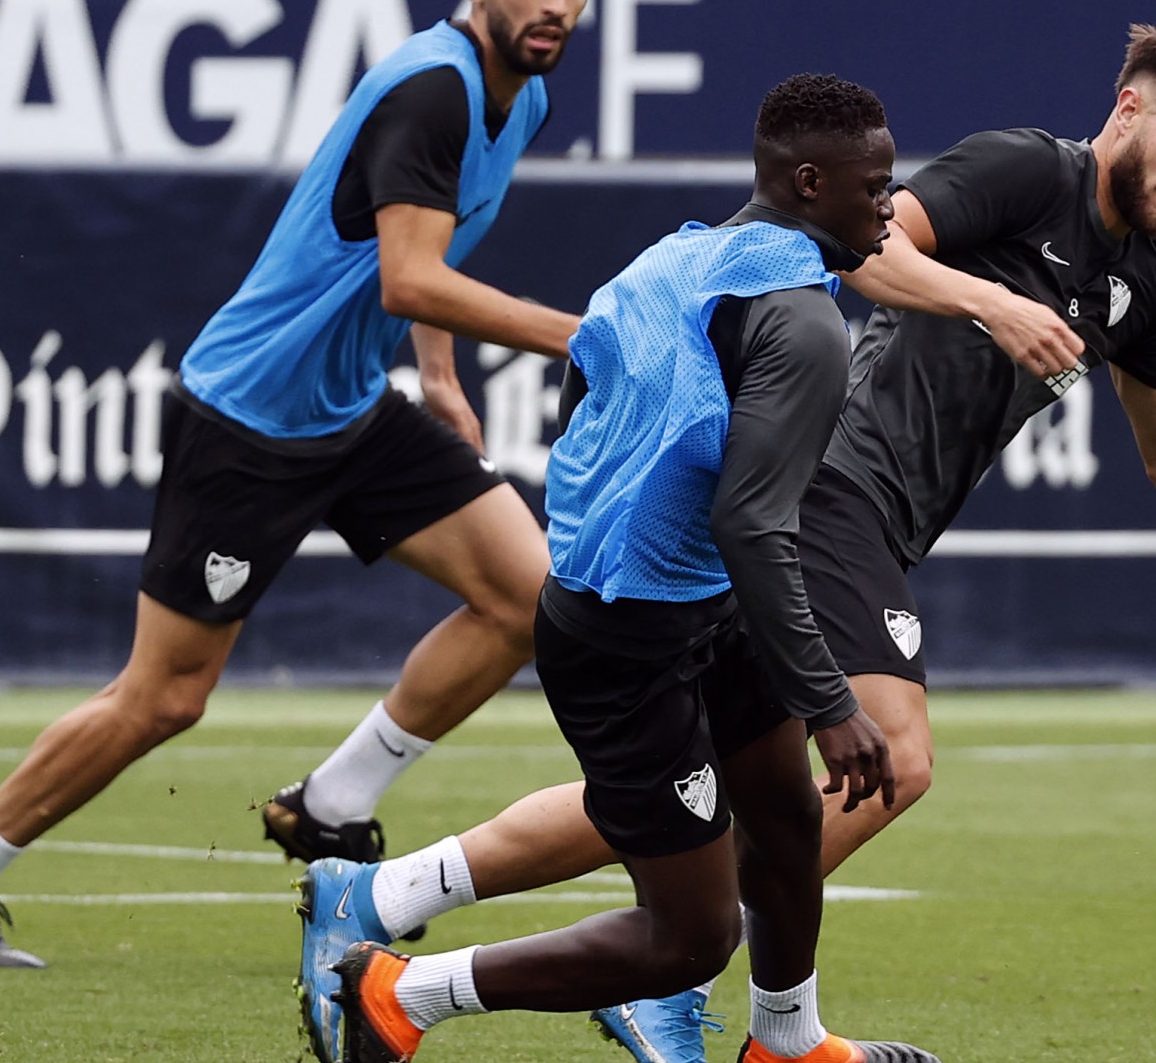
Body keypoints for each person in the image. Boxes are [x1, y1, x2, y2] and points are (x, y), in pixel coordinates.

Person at [299, 18, 1156, 1063]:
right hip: (825, 489)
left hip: (883, 521)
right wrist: (992, 306)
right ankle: (688, 994)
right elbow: (858, 253)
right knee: (889, 758)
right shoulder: (1025, 171)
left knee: (699, 794)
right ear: (1128, 108)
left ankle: (393, 897)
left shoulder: (1140, 283)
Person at [0, 0, 591, 969]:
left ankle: (331, 806)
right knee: (165, 698)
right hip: (252, 418)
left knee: (528, 597)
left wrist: (434, 372)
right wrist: (584, 336)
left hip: (351, 406)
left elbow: (433, 240)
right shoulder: (432, 89)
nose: (557, 1)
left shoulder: (524, 95)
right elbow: (410, 277)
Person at [302, 73, 938, 1063]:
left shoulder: (673, 258)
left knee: (778, 817)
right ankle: (402, 993)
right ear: (811, 183)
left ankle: (789, 1043)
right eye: (877, 185)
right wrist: (832, 705)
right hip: (630, 641)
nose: (891, 206)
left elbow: (585, 387)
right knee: (686, 939)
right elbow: (752, 523)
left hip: (697, 607)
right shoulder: (810, 326)